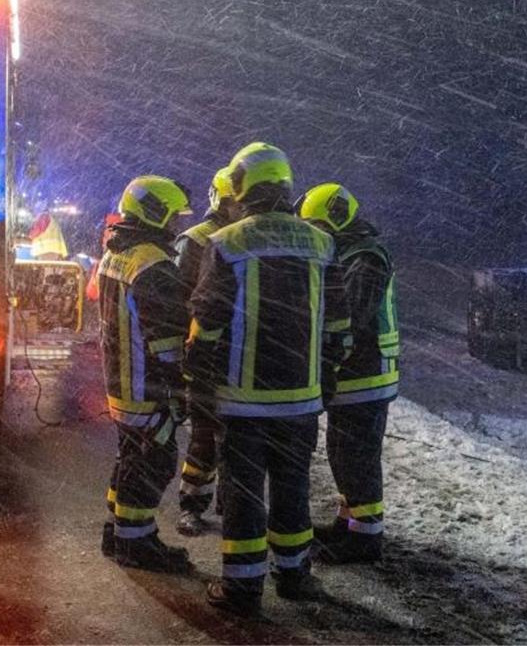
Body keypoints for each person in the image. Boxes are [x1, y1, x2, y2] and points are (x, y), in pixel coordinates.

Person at [186, 142, 348, 616]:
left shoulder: (227, 243)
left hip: (242, 402)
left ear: (240, 187)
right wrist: (328, 377)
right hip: (300, 401)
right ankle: (295, 575)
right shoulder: (322, 243)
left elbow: (206, 325)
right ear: (285, 186)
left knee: (243, 494)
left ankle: (242, 589)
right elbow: (338, 325)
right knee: (293, 488)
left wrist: (199, 382)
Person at [297, 183, 399, 564]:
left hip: (366, 375)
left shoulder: (366, 258)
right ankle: (349, 522)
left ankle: (366, 539)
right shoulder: (352, 252)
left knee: (357, 458)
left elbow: (351, 317)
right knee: (343, 453)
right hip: (356, 374)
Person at [97, 175, 192, 573]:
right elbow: (167, 342)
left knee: (131, 457)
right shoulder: (153, 264)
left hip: (122, 384)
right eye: (173, 217)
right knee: (154, 461)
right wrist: (182, 388)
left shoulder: (116, 254)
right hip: (146, 387)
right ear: (155, 214)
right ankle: (135, 545)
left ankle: (118, 530)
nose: (176, 226)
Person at [175, 167, 238, 536]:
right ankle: (203, 505)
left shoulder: (207, 238)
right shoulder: (200, 239)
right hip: (218, 351)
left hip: (221, 352)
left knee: (220, 435)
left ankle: (215, 505)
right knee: (212, 434)